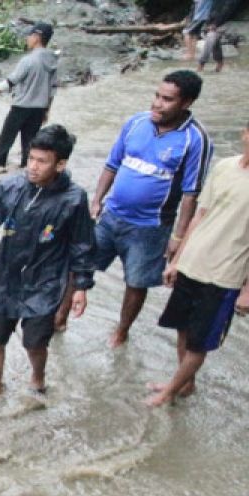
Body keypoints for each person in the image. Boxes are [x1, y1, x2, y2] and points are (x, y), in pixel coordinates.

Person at [0, 125, 94, 400]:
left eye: (42, 161)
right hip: (7, 277)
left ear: (60, 164)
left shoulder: (73, 199)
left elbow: (82, 244)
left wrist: (81, 286)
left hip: (45, 281)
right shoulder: (11, 186)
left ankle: (38, 379)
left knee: (35, 342)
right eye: (30, 158)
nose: (32, 166)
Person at [85, 71, 212, 348]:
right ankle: (60, 318)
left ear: (186, 102)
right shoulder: (136, 122)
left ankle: (122, 330)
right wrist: (96, 201)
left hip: (151, 227)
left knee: (136, 282)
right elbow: (112, 164)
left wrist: (178, 239)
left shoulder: (196, 140)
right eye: (157, 95)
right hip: (111, 216)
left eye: (167, 99)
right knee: (80, 265)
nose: (157, 103)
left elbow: (191, 195)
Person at [147, 121, 249, 407]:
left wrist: (247, 290)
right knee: (183, 327)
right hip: (193, 263)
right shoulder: (225, 167)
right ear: (245, 133)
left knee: (199, 339)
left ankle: (169, 392)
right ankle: (184, 382)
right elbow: (199, 215)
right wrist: (176, 261)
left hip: (225, 274)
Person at [0, 22, 57, 173]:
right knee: (30, 143)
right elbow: (52, 90)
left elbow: (10, 82)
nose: (27, 39)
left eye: (30, 35)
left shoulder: (29, 60)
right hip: (39, 109)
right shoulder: (52, 61)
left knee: (5, 141)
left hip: (21, 107)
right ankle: (28, 170)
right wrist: (47, 110)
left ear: (37, 37)